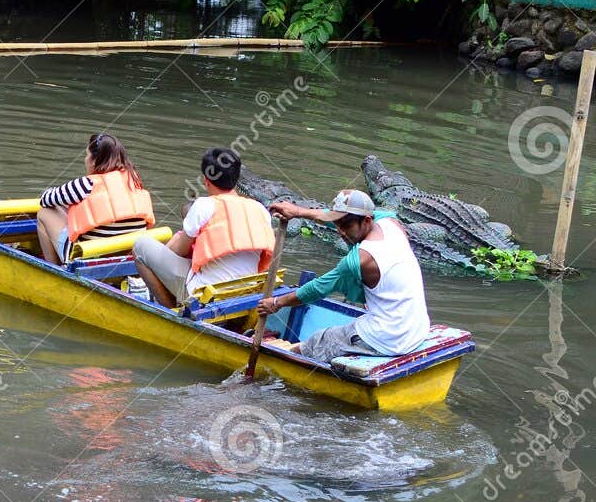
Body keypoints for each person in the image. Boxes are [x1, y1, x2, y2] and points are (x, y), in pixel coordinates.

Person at [257, 189, 431, 362]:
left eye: (346, 226)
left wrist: (276, 303)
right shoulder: (390, 221)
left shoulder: (360, 259)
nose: (340, 232)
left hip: (389, 339)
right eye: (337, 224)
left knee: (319, 341)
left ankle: (281, 358)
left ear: (367, 220)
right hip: (417, 330)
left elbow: (317, 288)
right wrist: (298, 212)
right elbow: (338, 218)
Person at [134, 147, 275, 307]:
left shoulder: (204, 205)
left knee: (140, 246)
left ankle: (171, 310)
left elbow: (180, 251)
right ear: (236, 179)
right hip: (246, 293)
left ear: (206, 180)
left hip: (207, 296)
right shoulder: (260, 209)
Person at [35, 133, 156, 266]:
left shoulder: (86, 184)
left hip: (89, 259)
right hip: (125, 258)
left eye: (87, 155)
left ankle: (54, 268)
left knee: (44, 212)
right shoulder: (134, 180)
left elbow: (45, 199)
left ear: (94, 160)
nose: (85, 159)